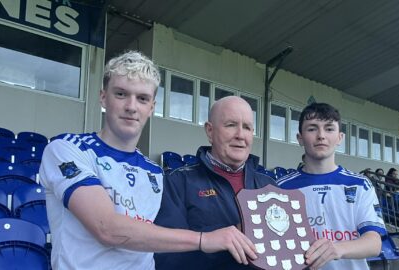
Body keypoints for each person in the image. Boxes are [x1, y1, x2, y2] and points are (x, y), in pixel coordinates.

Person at [39, 51, 256, 270]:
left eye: (142, 98)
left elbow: (162, 239)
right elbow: (105, 228)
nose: (131, 107)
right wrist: (204, 239)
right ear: (103, 97)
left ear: (151, 107)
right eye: (121, 94)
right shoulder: (67, 149)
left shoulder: (155, 173)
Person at [154, 96, 276, 269]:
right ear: (210, 131)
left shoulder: (270, 187)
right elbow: (167, 258)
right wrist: (218, 240)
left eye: (247, 127)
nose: (240, 135)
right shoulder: (177, 182)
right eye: (231, 125)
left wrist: (312, 254)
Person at [277, 102, 385, 270]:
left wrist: (338, 249)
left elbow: (374, 243)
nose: (321, 135)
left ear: (340, 137)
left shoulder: (360, 184)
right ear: (300, 138)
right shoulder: (281, 188)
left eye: (329, 128)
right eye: (312, 129)